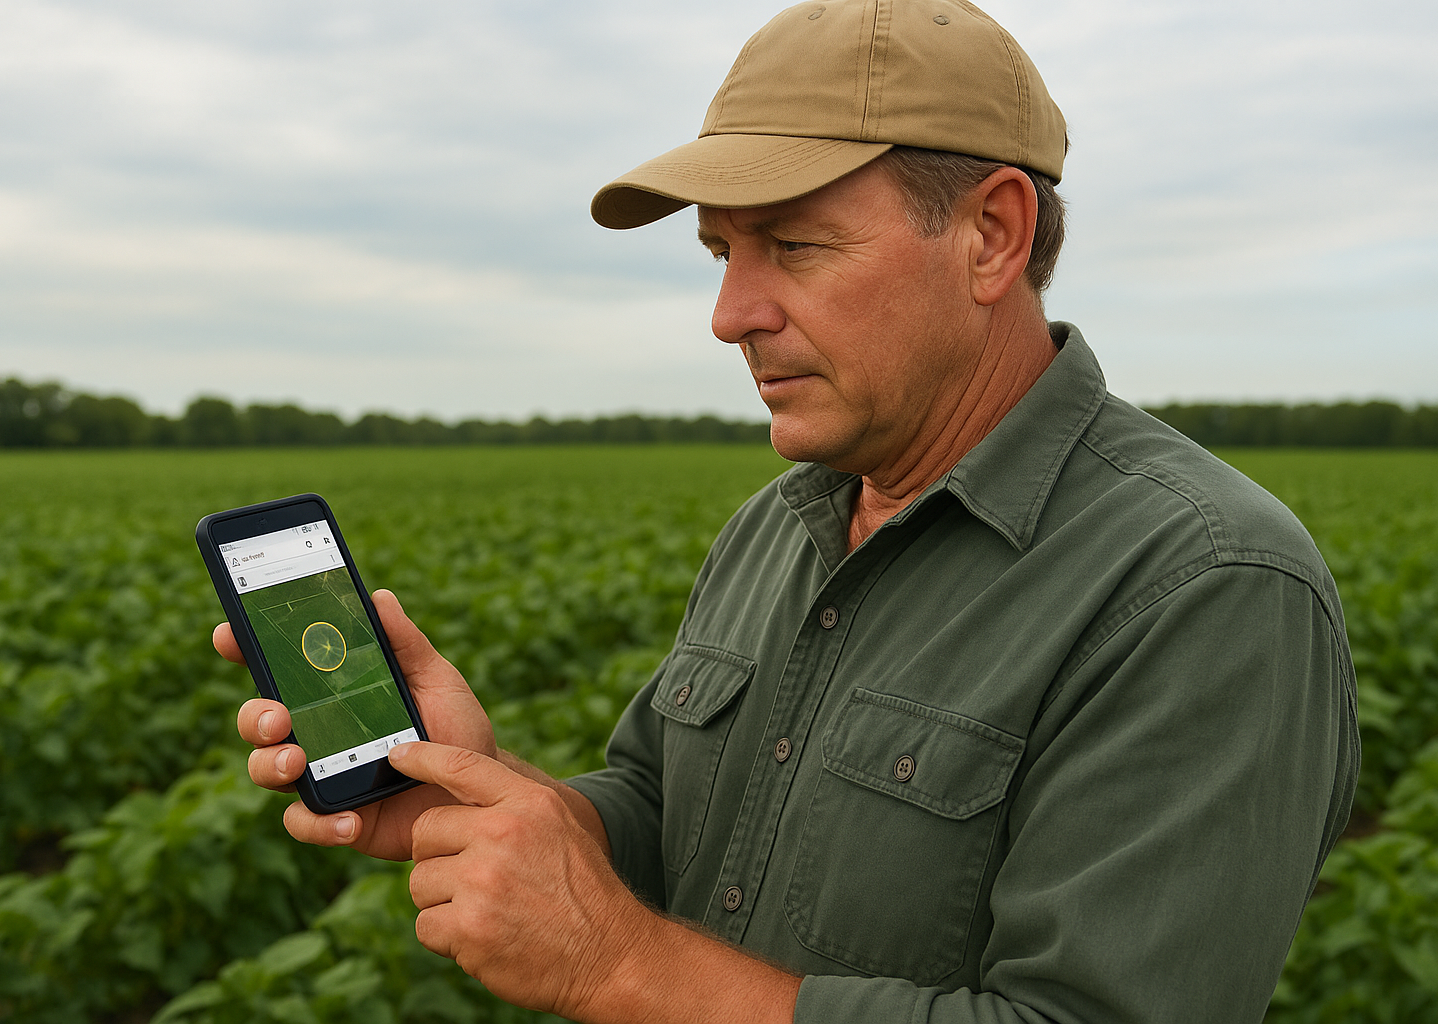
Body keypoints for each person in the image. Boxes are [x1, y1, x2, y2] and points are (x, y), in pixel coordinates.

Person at [218, 1, 1359, 1021]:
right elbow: (673, 814)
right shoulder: (784, 522)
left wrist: (617, 965)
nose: (729, 314)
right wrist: (497, 801)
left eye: (795, 246)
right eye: (720, 252)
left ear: (992, 237)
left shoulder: (1206, 582)